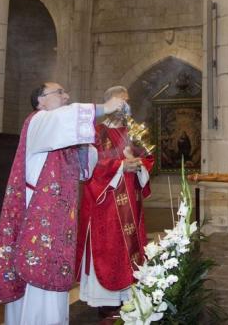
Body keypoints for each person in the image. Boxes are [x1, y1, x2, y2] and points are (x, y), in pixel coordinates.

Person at [0, 82, 125, 325]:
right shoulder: (38, 121)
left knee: (54, 282)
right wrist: (107, 107)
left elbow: (86, 168)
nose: (66, 96)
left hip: (58, 222)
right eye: (59, 92)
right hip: (37, 222)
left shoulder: (58, 136)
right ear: (40, 101)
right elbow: (67, 119)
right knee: (37, 278)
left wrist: (99, 150)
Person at [76, 86, 153, 321]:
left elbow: (148, 159)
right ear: (107, 103)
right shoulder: (94, 133)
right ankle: (106, 305)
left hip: (130, 204)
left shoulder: (134, 133)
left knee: (130, 250)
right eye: (120, 102)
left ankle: (128, 300)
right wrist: (121, 166)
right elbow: (89, 167)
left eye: (127, 102)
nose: (124, 107)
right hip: (105, 206)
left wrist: (139, 165)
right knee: (107, 249)